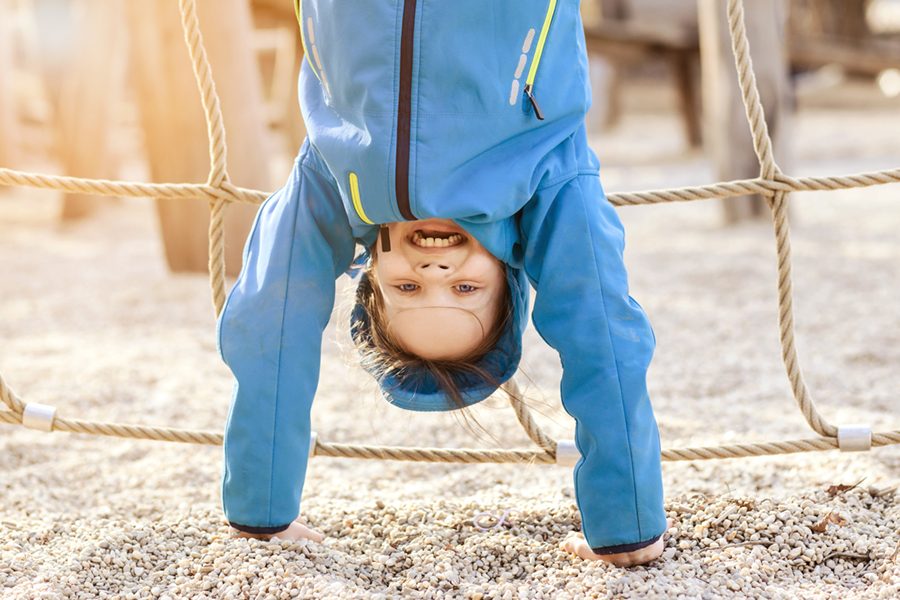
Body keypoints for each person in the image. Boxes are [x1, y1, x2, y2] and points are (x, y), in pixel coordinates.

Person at [217, 0, 669, 567]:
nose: (434, 275)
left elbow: (271, 322)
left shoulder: (337, 183)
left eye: (406, 291)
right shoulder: (544, 180)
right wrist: (626, 524)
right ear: (507, 278)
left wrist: (261, 509)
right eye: (465, 292)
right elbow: (601, 334)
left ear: (371, 273)